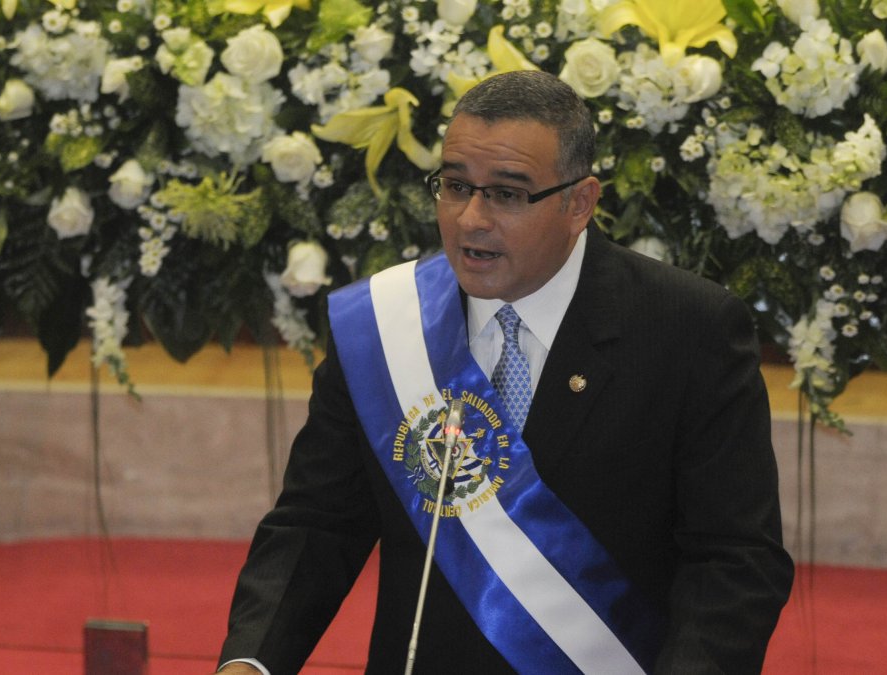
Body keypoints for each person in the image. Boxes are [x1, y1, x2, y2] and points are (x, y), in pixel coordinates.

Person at [218, 70, 793, 675]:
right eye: (455, 185)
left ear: (580, 203)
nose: (470, 219)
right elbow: (316, 524)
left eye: (507, 193)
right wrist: (250, 663)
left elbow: (734, 561)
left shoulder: (688, 330)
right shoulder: (387, 326)